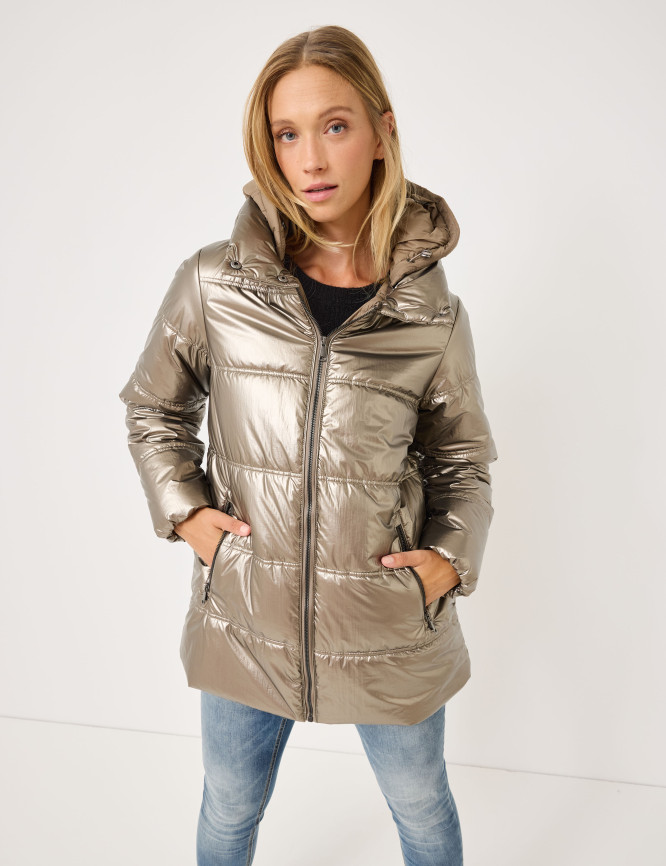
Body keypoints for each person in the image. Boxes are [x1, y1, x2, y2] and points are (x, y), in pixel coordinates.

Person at [119, 24, 497, 866]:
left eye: (334, 125)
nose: (312, 159)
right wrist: (190, 518)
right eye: (287, 134)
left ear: (382, 132)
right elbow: (152, 407)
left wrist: (448, 559)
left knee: (423, 808)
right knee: (228, 808)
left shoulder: (432, 316)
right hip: (245, 616)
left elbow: (464, 460)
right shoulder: (214, 283)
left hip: (387, 622)